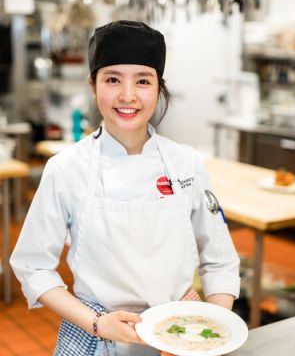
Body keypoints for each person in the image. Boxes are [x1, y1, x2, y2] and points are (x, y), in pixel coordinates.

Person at [10, 20, 240, 356]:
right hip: (95, 336)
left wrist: (209, 333)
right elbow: (33, 266)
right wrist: (97, 322)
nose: (128, 95)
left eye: (143, 81)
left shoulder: (186, 165)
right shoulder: (66, 169)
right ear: (93, 85)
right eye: (112, 79)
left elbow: (219, 261)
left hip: (179, 336)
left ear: (159, 88)